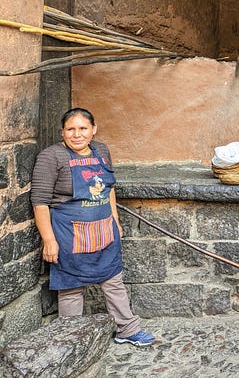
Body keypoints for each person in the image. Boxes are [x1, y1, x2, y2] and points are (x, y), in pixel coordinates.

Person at [31, 107, 155, 347]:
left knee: (113, 280)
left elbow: (108, 189)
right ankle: (70, 340)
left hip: (104, 229)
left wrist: (115, 222)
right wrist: (49, 240)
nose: (77, 134)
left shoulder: (102, 151)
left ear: (93, 130)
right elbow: (40, 202)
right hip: (69, 233)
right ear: (63, 132)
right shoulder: (51, 156)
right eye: (71, 129)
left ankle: (127, 329)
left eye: (83, 128)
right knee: (71, 287)